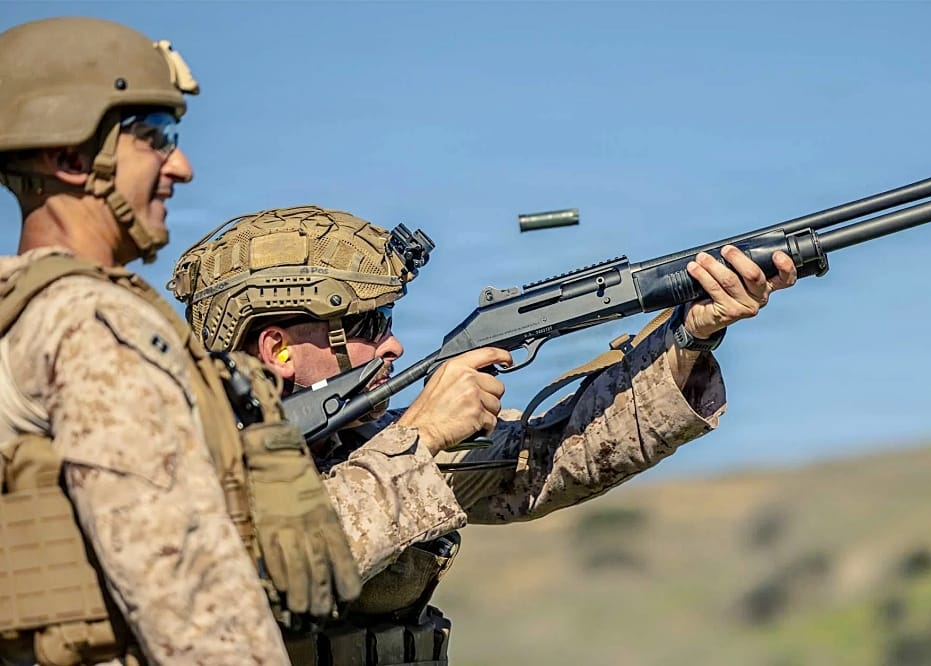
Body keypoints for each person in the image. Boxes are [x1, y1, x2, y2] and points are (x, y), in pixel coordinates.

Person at [171, 204, 798, 665]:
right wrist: (418, 435)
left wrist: (689, 334)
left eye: (389, 317)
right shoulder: (176, 467)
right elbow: (274, 570)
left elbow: (550, 465)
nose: (392, 343)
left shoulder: (365, 444)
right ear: (277, 349)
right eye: (365, 323)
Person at [0, 18, 359, 666]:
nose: (182, 168)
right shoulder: (94, 329)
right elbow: (195, 606)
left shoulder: (23, 312)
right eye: (155, 139)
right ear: (72, 159)